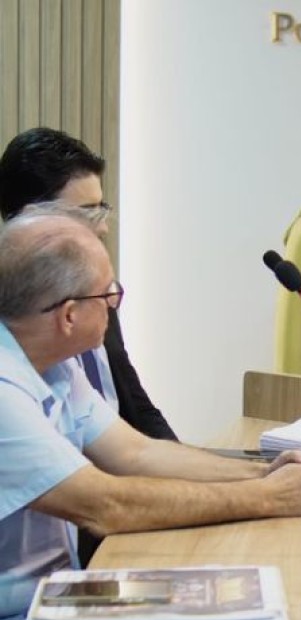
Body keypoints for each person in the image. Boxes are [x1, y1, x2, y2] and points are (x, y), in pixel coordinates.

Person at [0, 207, 301, 620]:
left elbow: (136, 453)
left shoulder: (53, 361)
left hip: (55, 596)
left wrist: (263, 472)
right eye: (108, 292)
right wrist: (267, 498)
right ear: (69, 315)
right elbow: (105, 505)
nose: (115, 302)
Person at [0, 127, 176, 441]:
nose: (103, 228)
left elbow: (136, 406)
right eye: (88, 212)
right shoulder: (16, 324)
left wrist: (182, 460)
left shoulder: (95, 290)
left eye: (101, 208)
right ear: (33, 220)